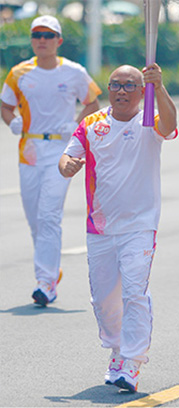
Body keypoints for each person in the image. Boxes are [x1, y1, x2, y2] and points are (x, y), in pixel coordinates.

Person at [58, 63, 177, 392]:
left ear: (142, 90)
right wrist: (67, 166)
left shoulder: (150, 119)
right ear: (108, 89)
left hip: (140, 225)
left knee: (134, 292)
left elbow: (170, 125)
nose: (121, 91)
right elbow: (66, 157)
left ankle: (133, 360)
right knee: (103, 299)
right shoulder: (92, 123)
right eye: (115, 85)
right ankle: (117, 349)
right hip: (100, 227)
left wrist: (159, 87)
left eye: (129, 85)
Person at [1, 15, 101, 307]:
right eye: (37, 35)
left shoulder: (74, 72)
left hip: (62, 149)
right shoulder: (19, 73)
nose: (42, 40)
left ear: (59, 40)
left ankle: (45, 283)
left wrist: (76, 126)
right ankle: (51, 270)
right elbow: (6, 106)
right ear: (32, 40)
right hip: (30, 149)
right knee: (35, 218)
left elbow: (93, 103)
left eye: (48, 35)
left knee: (48, 216)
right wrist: (12, 121)